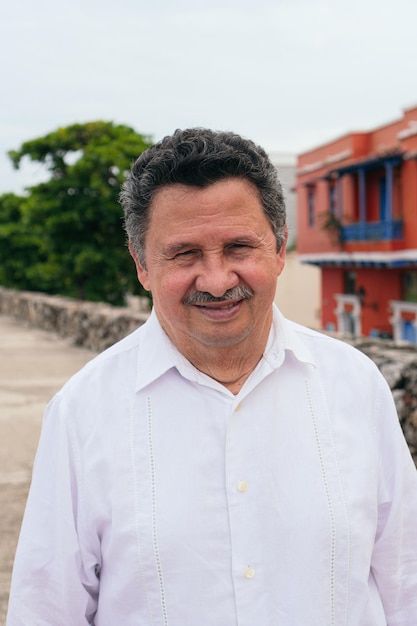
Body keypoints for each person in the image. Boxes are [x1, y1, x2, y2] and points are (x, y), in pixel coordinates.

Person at [6, 128, 417, 626]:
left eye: (239, 247)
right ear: (141, 265)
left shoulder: (355, 385)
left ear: (281, 249)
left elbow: (406, 584)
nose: (217, 280)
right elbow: (47, 611)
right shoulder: (82, 412)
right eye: (185, 254)